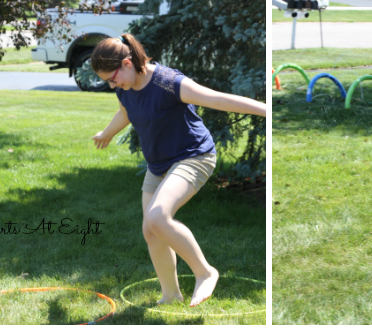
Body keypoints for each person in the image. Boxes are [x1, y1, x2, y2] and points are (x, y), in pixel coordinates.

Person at [90, 33, 266, 306]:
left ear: (127, 63)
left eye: (112, 78)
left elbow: (216, 99)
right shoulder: (125, 88)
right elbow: (126, 110)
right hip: (159, 165)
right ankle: (171, 295)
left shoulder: (168, 82)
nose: (113, 85)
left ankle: (205, 272)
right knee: (151, 229)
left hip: (194, 156)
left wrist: (267, 110)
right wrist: (107, 133)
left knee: (159, 217)